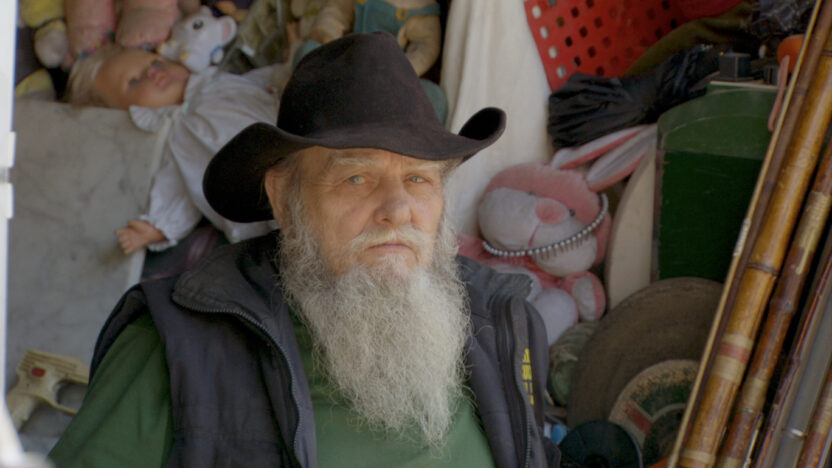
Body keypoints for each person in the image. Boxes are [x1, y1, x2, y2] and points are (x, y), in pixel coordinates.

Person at [49, 32, 559, 467]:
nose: (399, 210)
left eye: (419, 178)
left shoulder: (503, 321)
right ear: (284, 200)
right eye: (357, 178)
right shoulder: (176, 345)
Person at [66, 45, 278, 254]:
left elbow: (260, 82)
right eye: (134, 82)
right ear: (130, 115)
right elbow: (177, 193)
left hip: (290, 139)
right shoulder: (175, 142)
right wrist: (159, 228)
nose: (152, 72)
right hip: (266, 210)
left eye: (155, 62)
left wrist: (287, 68)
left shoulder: (216, 80)